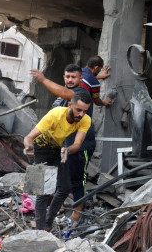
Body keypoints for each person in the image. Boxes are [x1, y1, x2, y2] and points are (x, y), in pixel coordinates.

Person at [30, 58, 112, 225]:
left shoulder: (79, 94)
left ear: (80, 79)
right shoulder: (65, 99)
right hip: (60, 144)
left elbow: (65, 92)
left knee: (77, 177)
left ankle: (76, 214)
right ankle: (44, 222)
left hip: (79, 143)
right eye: (67, 77)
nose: (70, 80)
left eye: (73, 77)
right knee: (52, 182)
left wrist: (43, 79)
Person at [23, 90, 92, 231]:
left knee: (65, 188)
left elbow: (77, 144)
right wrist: (28, 147)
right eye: (78, 110)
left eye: (85, 111)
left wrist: (68, 150)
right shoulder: (55, 114)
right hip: (41, 148)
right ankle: (40, 231)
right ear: (70, 105)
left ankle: (48, 224)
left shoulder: (85, 120)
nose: (81, 114)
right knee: (43, 191)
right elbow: (29, 137)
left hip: (58, 149)